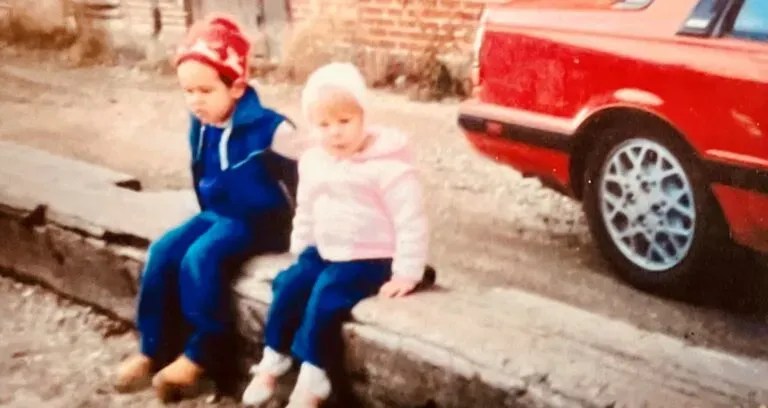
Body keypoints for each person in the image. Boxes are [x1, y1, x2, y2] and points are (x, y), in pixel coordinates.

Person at [113, 14, 303, 402]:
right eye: (187, 91)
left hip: (261, 221)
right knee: (164, 251)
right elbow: (201, 168)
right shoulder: (201, 123)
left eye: (204, 90)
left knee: (201, 258)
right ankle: (154, 348)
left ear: (236, 86)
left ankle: (205, 352)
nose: (194, 100)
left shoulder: (272, 130)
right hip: (219, 212)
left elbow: (313, 175)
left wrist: (309, 232)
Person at [242, 62, 431, 407]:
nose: (335, 133)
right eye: (324, 125)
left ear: (364, 117)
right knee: (290, 283)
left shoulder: (389, 166)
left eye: (345, 122)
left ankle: (314, 378)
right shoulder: (315, 161)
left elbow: (410, 221)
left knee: (328, 294)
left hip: (372, 255)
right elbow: (307, 206)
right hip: (327, 249)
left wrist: (407, 271)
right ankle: (274, 358)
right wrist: (302, 246)